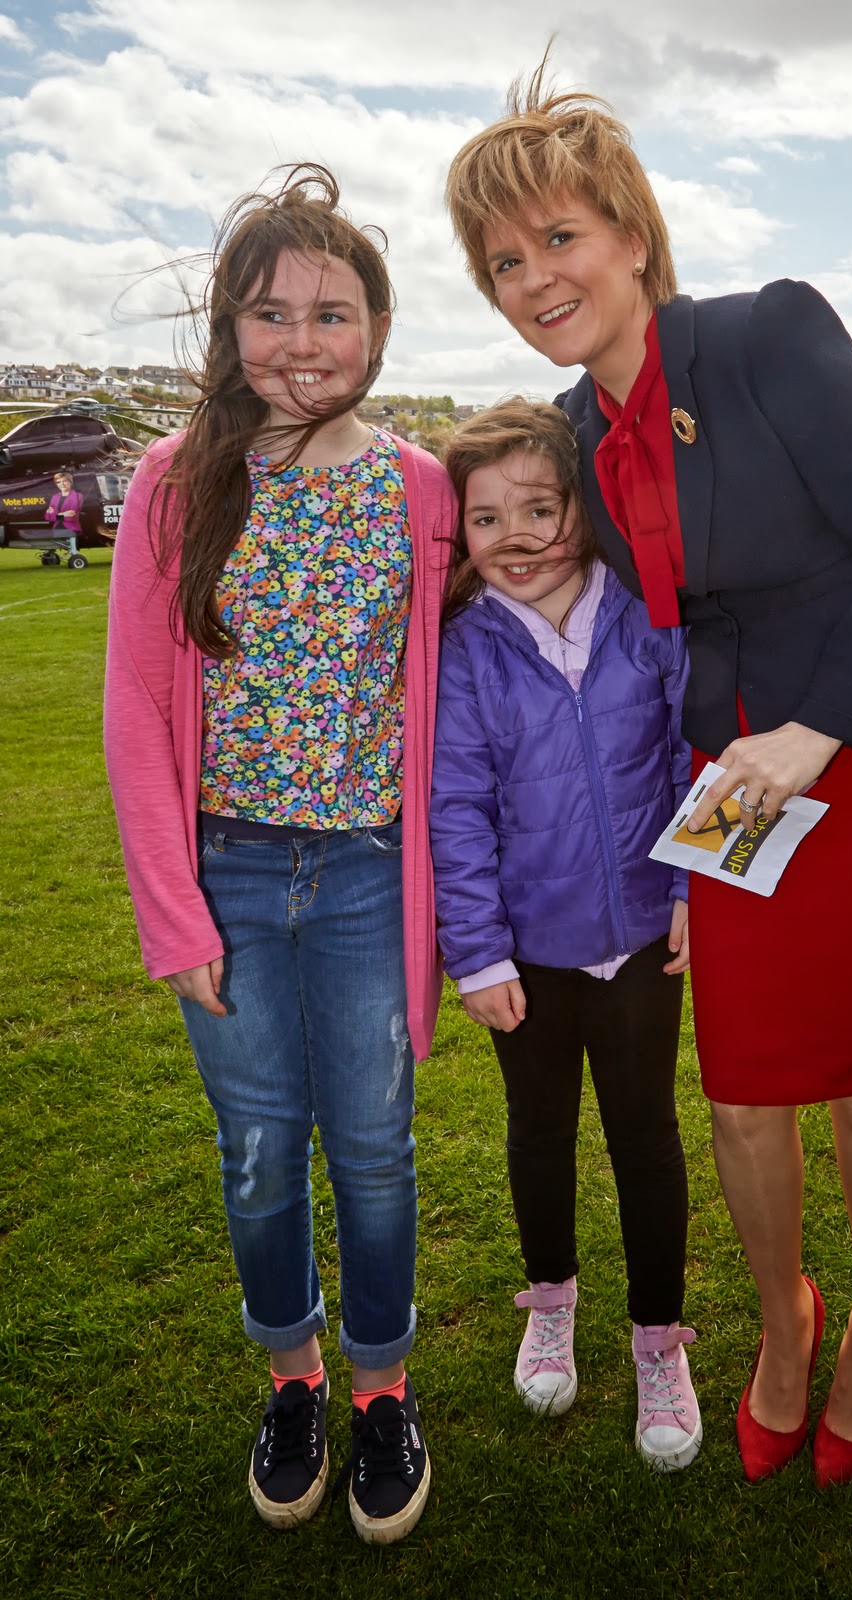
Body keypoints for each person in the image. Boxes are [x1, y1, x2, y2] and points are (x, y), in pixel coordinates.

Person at [445, 74, 852, 1488]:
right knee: (740, 1096)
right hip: (729, 786)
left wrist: (817, 733)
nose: (534, 278)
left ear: (630, 237)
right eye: (502, 262)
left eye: (557, 238)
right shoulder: (568, 434)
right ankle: (777, 1326)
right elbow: (607, 636)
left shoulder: (765, 334)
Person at [104, 165, 453, 1544]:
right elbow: (136, 708)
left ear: (376, 326)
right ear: (228, 330)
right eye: (270, 313)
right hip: (230, 870)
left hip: (368, 872)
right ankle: (293, 1379)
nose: (301, 342)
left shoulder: (424, 491)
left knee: (371, 1150)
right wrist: (175, 917)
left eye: (331, 311)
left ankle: (380, 1389)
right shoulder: (175, 483)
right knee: (258, 1154)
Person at [429, 398, 701, 1471]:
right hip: (529, 960)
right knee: (538, 1134)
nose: (519, 539)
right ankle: (550, 1302)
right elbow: (456, 810)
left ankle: (655, 1340)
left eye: (541, 508)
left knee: (646, 1139)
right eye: (487, 520)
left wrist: (696, 887)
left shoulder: (647, 617)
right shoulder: (465, 651)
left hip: (641, 939)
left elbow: (697, 753)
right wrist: (480, 951)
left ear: (584, 507)